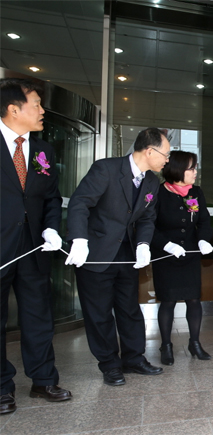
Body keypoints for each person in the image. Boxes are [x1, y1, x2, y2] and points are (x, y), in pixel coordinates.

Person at [65, 127, 170, 386]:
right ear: (150, 151)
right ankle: (110, 364)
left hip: (126, 254)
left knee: (129, 309)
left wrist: (143, 244)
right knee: (99, 312)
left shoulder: (151, 182)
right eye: (165, 154)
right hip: (95, 252)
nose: (167, 160)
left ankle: (134, 358)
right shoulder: (106, 169)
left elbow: (147, 217)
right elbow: (80, 203)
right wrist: (79, 239)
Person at [0, 78, 71, 414]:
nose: (43, 111)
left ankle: (44, 380)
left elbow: (52, 199)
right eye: (37, 104)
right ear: (14, 109)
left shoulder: (44, 151)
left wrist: (51, 229)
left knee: (38, 316)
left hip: (34, 250)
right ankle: (1, 387)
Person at [151, 151, 213, 365]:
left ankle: (194, 343)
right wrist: (166, 245)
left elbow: (204, 220)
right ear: (178, 169)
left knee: (194, 299)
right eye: (191, 168)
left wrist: (204, 240)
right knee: (167, 301)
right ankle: (166, 345)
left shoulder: (195, 192)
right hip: (166, 256)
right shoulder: (159, 193)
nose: (195, 172)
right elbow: (148, 225)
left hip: (190, 255)